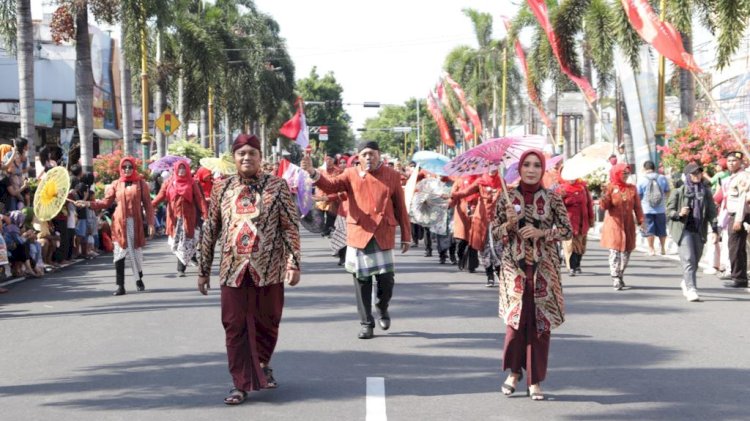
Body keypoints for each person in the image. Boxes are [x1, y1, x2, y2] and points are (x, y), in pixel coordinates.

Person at [198, 134, 301, 406]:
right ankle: (240, 383)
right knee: (234, 326)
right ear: (234, 157)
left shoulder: (277, 187)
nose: (246, 157)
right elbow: (211, 229)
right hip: (233, 270)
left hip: (269, 268)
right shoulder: (222, 188)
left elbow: (290, 226)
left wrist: (293, 262)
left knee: (268, 322)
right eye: (241, 153)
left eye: (251, 153)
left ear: (260, 157)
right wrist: (203, 269)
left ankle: (263, 363)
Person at [301, 140, 411, 340]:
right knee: (362, 280)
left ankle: (382, 306)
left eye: (372, 153)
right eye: (365, 154)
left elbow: (401, 208)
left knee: (386, 281)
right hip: (359, 233)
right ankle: (366, 323)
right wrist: (313, 173)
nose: (369, 157)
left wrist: (406, 235)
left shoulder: (392, 176)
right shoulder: (350, 174)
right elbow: (330, 185)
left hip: (383, 233)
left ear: (379, 155)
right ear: (358, 157)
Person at [491, 149, 572, 401]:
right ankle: (514, 373)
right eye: (527, 164)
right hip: (514, 269)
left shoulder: (552, 197)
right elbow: (493, 232)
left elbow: (568, 231)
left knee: (540, 325)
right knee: (515, 324)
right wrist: (509, 225)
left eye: (537, 165)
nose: (531, 169)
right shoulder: (506, 197)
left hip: (544, 269)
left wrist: (542, 234)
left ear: (542, 169)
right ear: (520, 168)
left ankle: (535, 380)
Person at [77, 157, 155, 295]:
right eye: (124, 167)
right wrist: (88, 204)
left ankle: (139, 279)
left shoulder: (141, 183)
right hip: (119, 223)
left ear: (133, 168)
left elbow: (148, 205)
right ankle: (120, 286)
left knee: (136, 255)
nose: (127, 169)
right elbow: (106, 203)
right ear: (120, 168)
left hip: (135, 223)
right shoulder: (116, 184)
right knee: (119, 254)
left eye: (129, 167)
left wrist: (150, 223)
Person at [666, 163, 718, 302]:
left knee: (695, 260)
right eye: (694, 173)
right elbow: (668, 211)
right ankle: (691, 289)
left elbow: (712, 211)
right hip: (684, 229)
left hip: (699, 229)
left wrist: (715, 229)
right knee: (688, 258)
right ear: (687, 175)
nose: (697, 176)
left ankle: (686, 281)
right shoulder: (679, 191)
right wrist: (679, 213)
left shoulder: (705, 191)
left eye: (699, 173)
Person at [152, 160, 207, 277]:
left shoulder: (192, 182)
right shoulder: (169, 182)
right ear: (176, 169)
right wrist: (150, 205)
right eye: (179, 168)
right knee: (176, 243)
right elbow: (160, 196)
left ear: (187, 169)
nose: (181, 170)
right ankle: (187, 260)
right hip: (174, 217)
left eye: (184, 168)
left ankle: (181, 269)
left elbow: (199, 198)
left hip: (188, 217)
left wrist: (205, 214)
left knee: (184, 242)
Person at [452, 168, 503, 286]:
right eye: (491, 165)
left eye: (495, 165)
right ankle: (489, 275)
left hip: (497, 219)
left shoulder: (502, 182)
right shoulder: (481, 181)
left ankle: (500, 273)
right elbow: (466, 192)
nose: (493, 168)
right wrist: (453, 194)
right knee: (484, 249)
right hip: (481, 219)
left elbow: (509, 196)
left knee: (498, 248)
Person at [600, 163, 645, 290]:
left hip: (628, 224)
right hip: (614, 223)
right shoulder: (609, 187)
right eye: (623, 173)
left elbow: (637, 206)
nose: (625, 176)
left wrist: (641, 221)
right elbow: (604, 207)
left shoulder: (632, 188)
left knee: (626, 253)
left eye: (627, 173)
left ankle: (620, 274)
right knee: (615, 252)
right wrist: (603, 196)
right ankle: (615, 277)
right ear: (616, 173)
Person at [717, 151, 750, 288]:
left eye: (734, 161)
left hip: (738, 216)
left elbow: (742, 199)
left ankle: (739, 278)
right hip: (733, 215)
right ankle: (740, 277)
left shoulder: (742, 177)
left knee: (735, 248)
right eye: (729, 161)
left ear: (741, 162)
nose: (731, 163)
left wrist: (738, 219)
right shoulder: (733, 177)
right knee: (737, 248)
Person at [558, 173, 594, 276]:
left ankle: (577, 264)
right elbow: (557, 205)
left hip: (582, 221)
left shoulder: (583, 188)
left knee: (581, 246)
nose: (571, 179)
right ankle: (571, 267)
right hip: (569, 221)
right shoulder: (562, 189)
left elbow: (589, 204)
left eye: (573, 176)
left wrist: (591, 218)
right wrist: (562, 197)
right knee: (569, 245)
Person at [637, 160, 670, 255]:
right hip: (661, 209)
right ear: (654, 168)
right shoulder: (662, 178)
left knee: (649, 229)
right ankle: (663, 249)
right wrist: (663, 200)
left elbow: (638, 195)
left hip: (647, 209)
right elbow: (667, 191)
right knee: (662, 229)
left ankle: (651, 249)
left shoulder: (642, 179)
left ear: (644, 168)